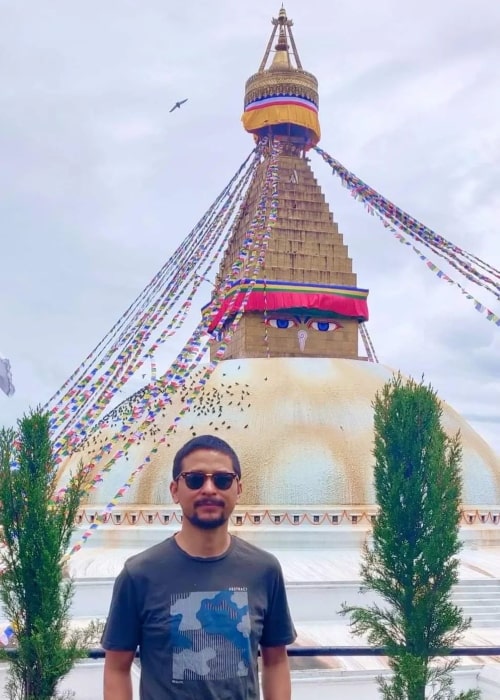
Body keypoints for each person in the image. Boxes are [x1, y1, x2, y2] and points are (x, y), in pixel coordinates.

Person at [102, 434, 296, 699]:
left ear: (238, 489)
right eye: (194, 479)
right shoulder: (139, 575)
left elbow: (275, 661)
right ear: (174, 490)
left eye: (222, 480)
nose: (208, 489)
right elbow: (116, 668)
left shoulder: (264, 570)